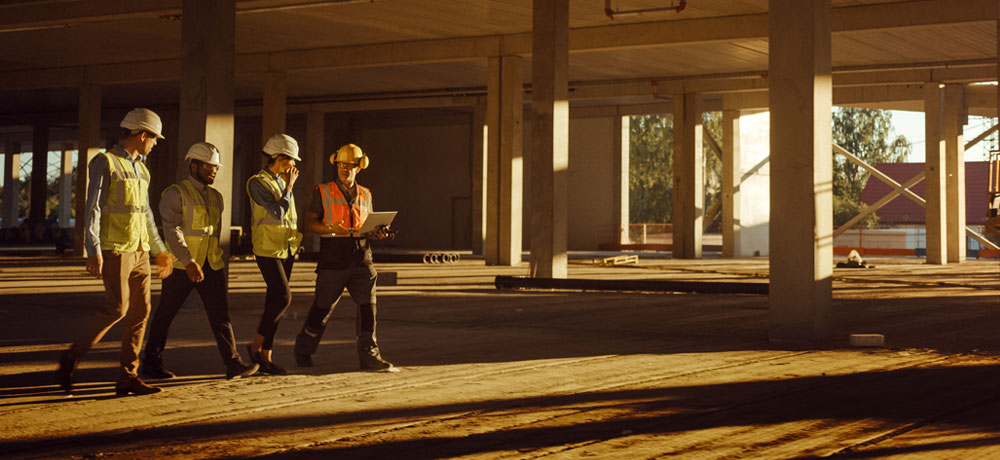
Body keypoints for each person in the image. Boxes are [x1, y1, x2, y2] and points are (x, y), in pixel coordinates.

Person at [56, 108, 175, 396]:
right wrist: (93, 249)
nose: (156, 144)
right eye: (154, 138)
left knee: (141, 313)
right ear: (143, 135)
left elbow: (145, 214)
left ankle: (127, 376)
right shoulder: (104, 162)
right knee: (117, 309)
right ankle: (71, 357)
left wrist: (159, 250)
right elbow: (92, 208)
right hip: (115, 249)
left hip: (140, 250)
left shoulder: (142, 169)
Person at [141, 142, 259, 381]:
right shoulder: (175, 193)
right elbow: (171, 230)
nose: (214, 171)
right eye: (209, 167)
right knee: (166, 313)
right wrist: (189, 260)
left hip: (211, 265)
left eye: (216, 167)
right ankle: (150, 363)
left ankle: (232, 362)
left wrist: (210, 262)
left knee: (220, 315)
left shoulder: (216, 197)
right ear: (194, 165)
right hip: (182, 266)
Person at [293, 143, 395, 372]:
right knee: (322, 309)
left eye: (349, 165)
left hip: (362, 256)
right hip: (333, 258)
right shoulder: (323, 191)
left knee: (368, 308)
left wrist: (377, 232)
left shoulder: (366, 194)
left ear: (358, 168)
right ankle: (304, 348)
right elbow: (308, 224)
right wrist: (331, 228)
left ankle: (370, 354)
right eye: (340, 164)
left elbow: (365, 225)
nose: (343, 169)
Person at [245, 134, 303, 374]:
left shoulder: (279, 181)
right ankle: (255, 346)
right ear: (279, 158)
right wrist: (289, 188)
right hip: (267, 248)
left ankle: (266, 357)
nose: (294, 166)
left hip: (285, 248)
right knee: (283, 297)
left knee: (275, 302)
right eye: (291, 160)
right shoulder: (258, 182)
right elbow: (278, 213)